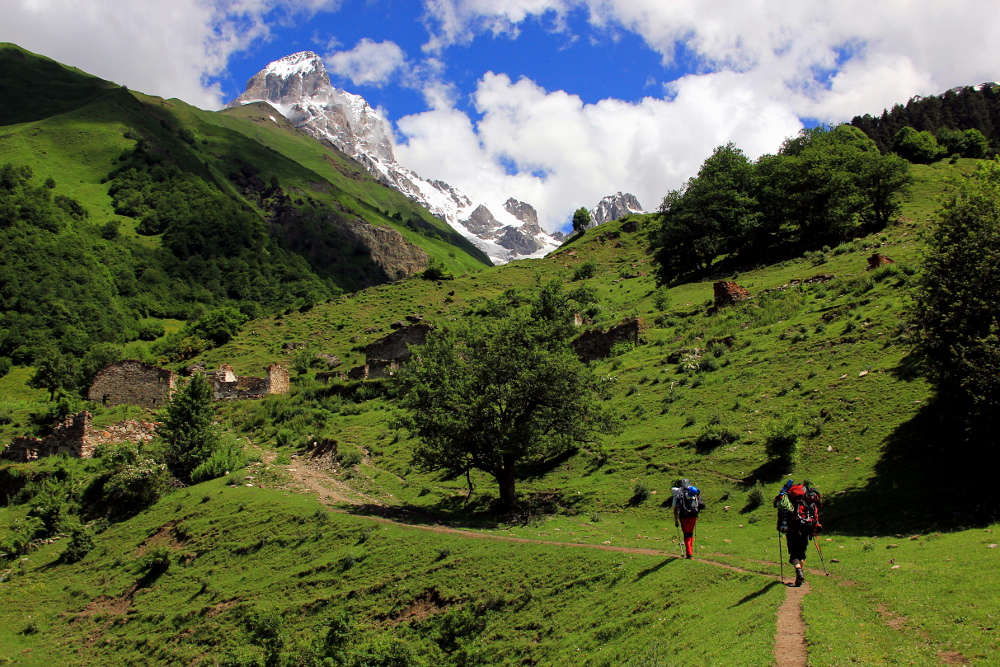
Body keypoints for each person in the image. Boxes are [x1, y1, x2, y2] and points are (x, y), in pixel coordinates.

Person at [774, 479, 822, 586]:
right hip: (806, 527)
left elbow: (779, 506)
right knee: (802, 553)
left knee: (794, 554)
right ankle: (800, 576)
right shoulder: (807, 497)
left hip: (793, 529)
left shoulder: (788, 497)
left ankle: (798, 571)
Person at [672, 479, 704, 559]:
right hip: (693, 515)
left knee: (686, 534)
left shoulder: (678, 494)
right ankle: (690, 551)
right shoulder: (693, 492)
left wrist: (676, 521)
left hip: (684, 516)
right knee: (691, 533)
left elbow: (675, 509)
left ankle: (688, 553)